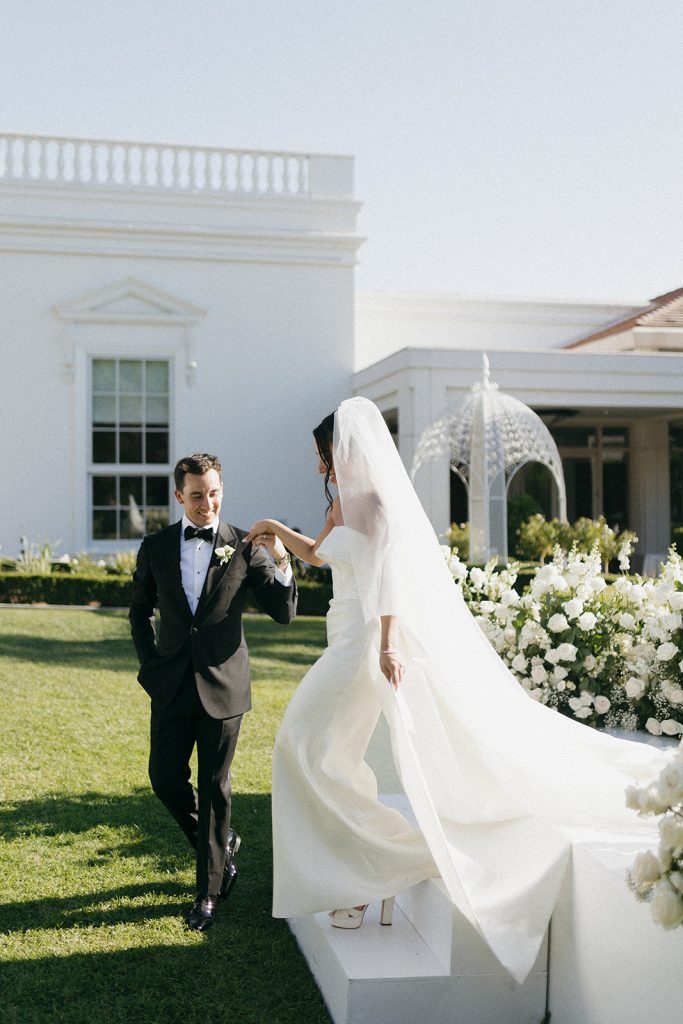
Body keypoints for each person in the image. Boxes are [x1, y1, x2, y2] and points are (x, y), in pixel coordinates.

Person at [245, 397, 671, 984]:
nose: (321, 466)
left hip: (362, 646)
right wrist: (274, 530)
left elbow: (390, 573)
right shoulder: (343, 502)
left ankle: (388, 864)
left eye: (324, 455)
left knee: (300, 744)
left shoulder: (376, 502)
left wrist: (390, 643)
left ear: (342, 450)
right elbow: (320, 556)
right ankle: (368, 872)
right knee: (325, 758)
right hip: (339, 638)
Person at [130, 453, 297, 932]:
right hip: (171, 684)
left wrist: (281, 555)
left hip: (224, 686)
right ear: (180, 495)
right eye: (198, 495)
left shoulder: (244, 546)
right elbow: (138, 611)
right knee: (163, 777)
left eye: (215, 493)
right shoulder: (157, 546)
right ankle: (223, 845)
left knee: (214, 786)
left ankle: (208, 892)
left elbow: (284, 611)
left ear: (223, 490)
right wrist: (150, 665)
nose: (208, 503)